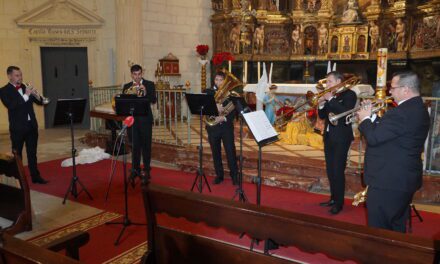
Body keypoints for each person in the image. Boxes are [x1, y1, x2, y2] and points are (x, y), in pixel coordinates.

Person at [357, 71, 430, 232]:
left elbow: (374, 138)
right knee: (396, 225)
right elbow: (391, 133)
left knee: (380, 229)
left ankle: (379, 257)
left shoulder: (401, 113)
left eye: (393, 88)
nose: (390, 91)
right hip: (402, 179)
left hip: (388, 181)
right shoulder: (417, 107)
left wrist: (364, 119)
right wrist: (373, 118)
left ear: (405, 90)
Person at [317, 71, 357, 215]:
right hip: (329, 136)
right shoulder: (330, 97)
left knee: (338, 171)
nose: (326, 84)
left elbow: (346, 112)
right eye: (326, 82)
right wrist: (321, 104)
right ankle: (333, 198)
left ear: (339, 81)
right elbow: (322, 116)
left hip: (341, 138)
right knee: (330, 170)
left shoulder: (349, 94)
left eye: (329, 81)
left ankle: (339, 203)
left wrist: (331, 99)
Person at [0, 66, 47, 184]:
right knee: (17, 156)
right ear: (9, 76)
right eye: (17, 75)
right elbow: (11, 105)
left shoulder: (25, 87)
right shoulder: (4, 91)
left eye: (20, 75)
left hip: (31, 126)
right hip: (17, 128)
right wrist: (26, 95)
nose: (20, 77)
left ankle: (35, 177)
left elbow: (39, 102)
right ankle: (18, 179)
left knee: (32, 153)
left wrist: (39, 97)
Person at [123, 64, 156, 183]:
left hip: (145, 120)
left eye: (139, 74)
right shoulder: (127, 86)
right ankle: (135, 169)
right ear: (131, 74)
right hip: (132, 121)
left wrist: (146, 91)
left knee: (146, 146)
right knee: (134, 146)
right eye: (135, 74)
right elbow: (125, 103)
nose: (137, 77)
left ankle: (146, 170)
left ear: (142, 73)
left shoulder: (149, 84)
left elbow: (153, 100)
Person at [205, 71, 238, 185]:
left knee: (230, 152)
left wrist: (223, 118)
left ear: (225, 81)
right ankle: (219, 175)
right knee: (216, 152)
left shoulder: (231, 94)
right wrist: (214, 107)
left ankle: (235, 177)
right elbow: (204, 109)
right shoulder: (208, 92)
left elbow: (234, 111)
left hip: (226, 127)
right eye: (216, 80)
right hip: (213, 128)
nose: (218, 82)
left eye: (221, 80)